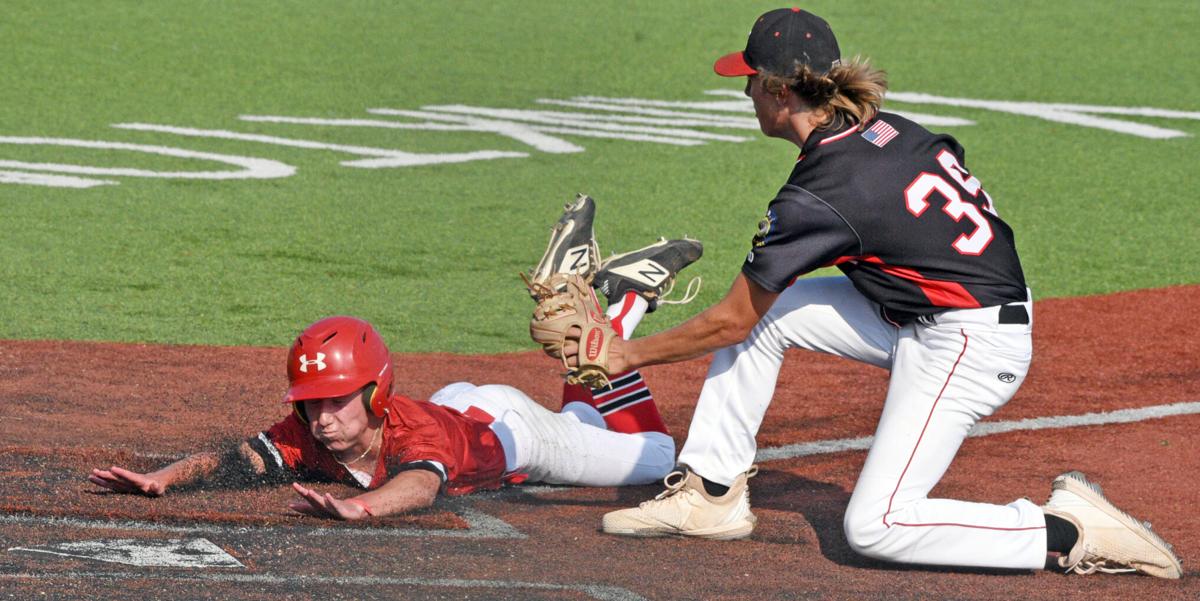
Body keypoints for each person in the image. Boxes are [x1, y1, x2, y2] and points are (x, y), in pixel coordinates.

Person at [572, 8, 1181, 579]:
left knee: (876, 527)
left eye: (752, 79)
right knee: (774, 314)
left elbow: (731, 320)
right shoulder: (889, 130)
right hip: (933, 312)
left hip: (968, 344)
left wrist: (626, 354)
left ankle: (1067, 530)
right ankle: (710, 494)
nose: (745, 91)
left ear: (780, 92)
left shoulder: (823, 193)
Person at [88, 202, 701, 520]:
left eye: (335, 401)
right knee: (589, 421)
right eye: (310, 405)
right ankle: (611, 306)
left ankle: (622, 307)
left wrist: (361, 506)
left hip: (516, 435)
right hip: (464, 408)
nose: (321, 418)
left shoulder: (413, 434)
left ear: (375, 394)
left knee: (658, 456)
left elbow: (419, 485)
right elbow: (238, 459)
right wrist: (164, 478)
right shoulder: (313, 431)